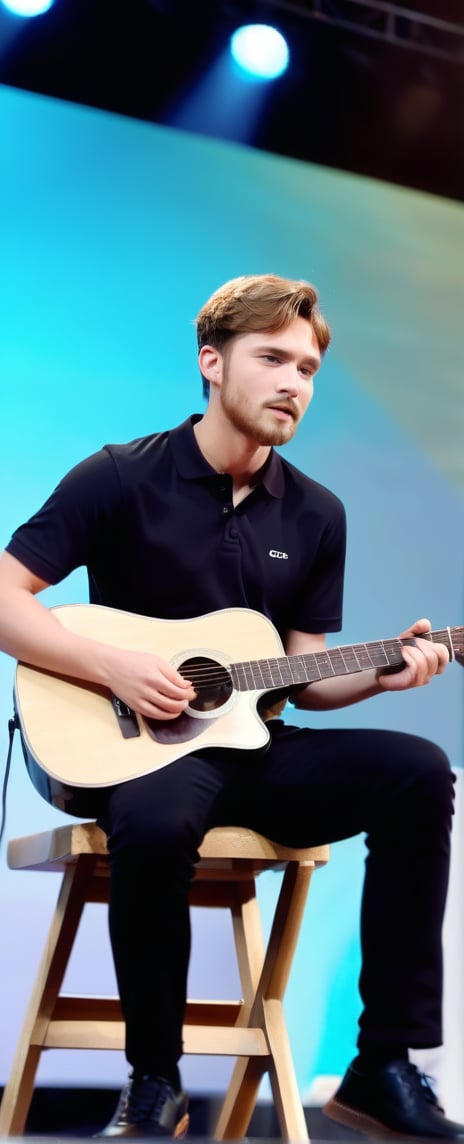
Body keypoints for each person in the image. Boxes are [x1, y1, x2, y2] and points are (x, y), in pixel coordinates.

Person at [0, 272, 462, 1141]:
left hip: (253, 749)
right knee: (156, 818)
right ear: (213, 362)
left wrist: (382, 672)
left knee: (416, 771)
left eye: (311, 368)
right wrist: (116, 668)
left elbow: (302, 679)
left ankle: (384, 1066)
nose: (297, 383)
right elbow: (4, 596)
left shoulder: (318, 512)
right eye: (274, 359)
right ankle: (155, 1082)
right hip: (138, 754)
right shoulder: (118, 477)